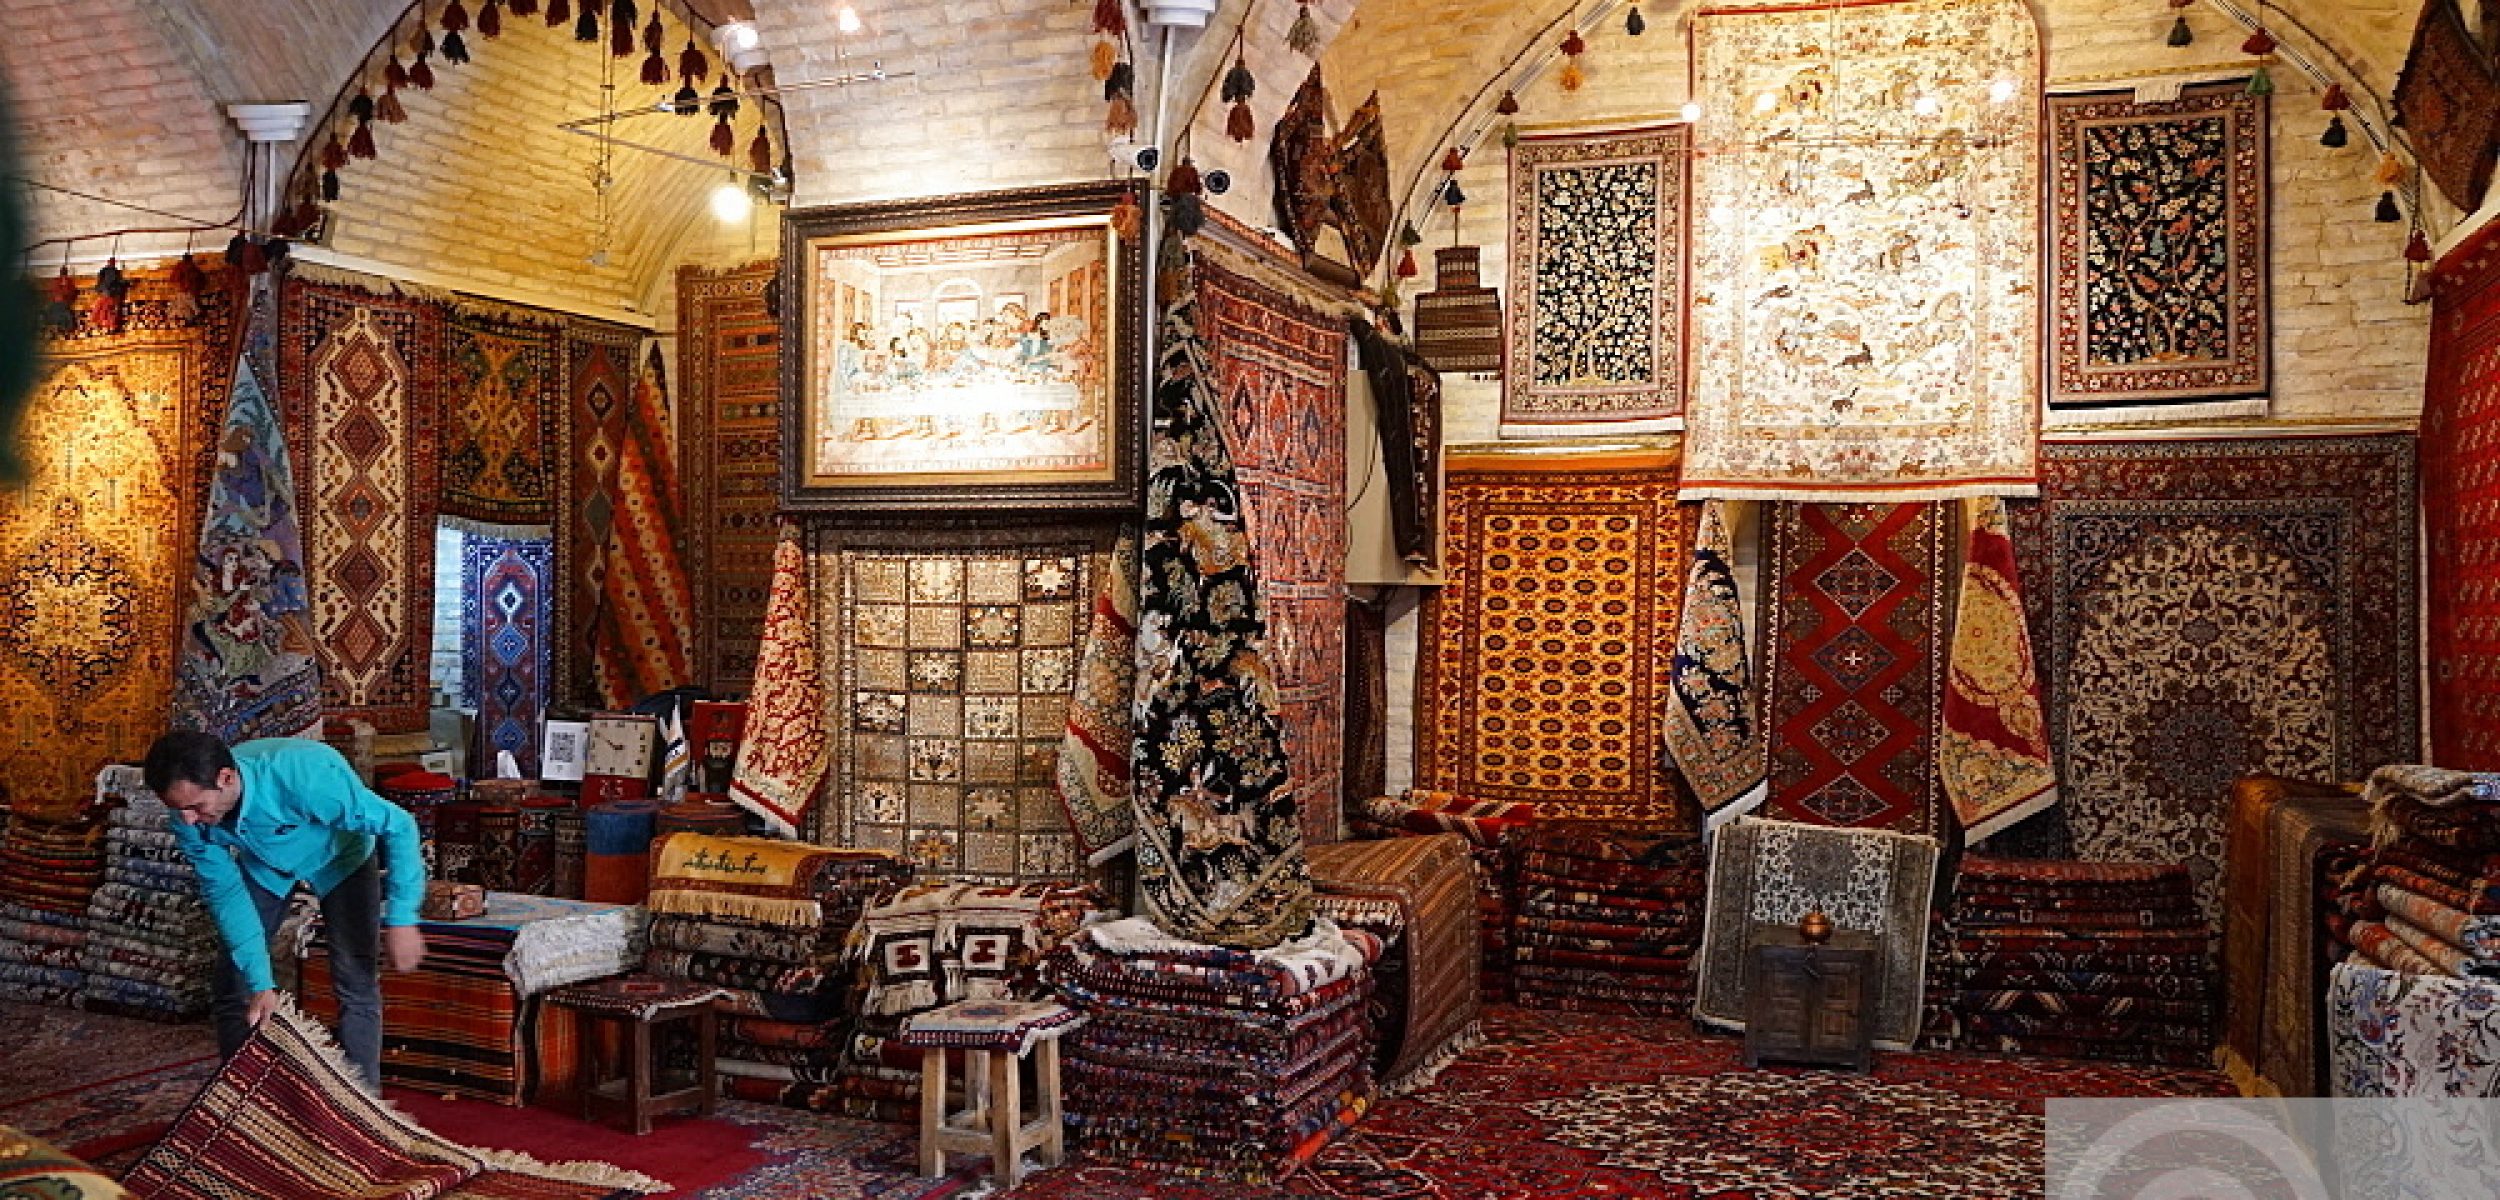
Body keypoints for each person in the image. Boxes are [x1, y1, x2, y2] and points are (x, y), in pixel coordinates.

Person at [142, 731, 429, 1089]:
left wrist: (402, 919)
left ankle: (363, 1106)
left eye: (196, 807)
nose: (186, 820)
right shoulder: (187, 817)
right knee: (233, 980)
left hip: (342, 856)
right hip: (268, 865)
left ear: (226, 778)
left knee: (355, 978)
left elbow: (399, 824)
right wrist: (262, 983)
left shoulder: (308, 780)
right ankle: (242, 1098)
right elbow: (226, 893)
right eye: (177, 809)